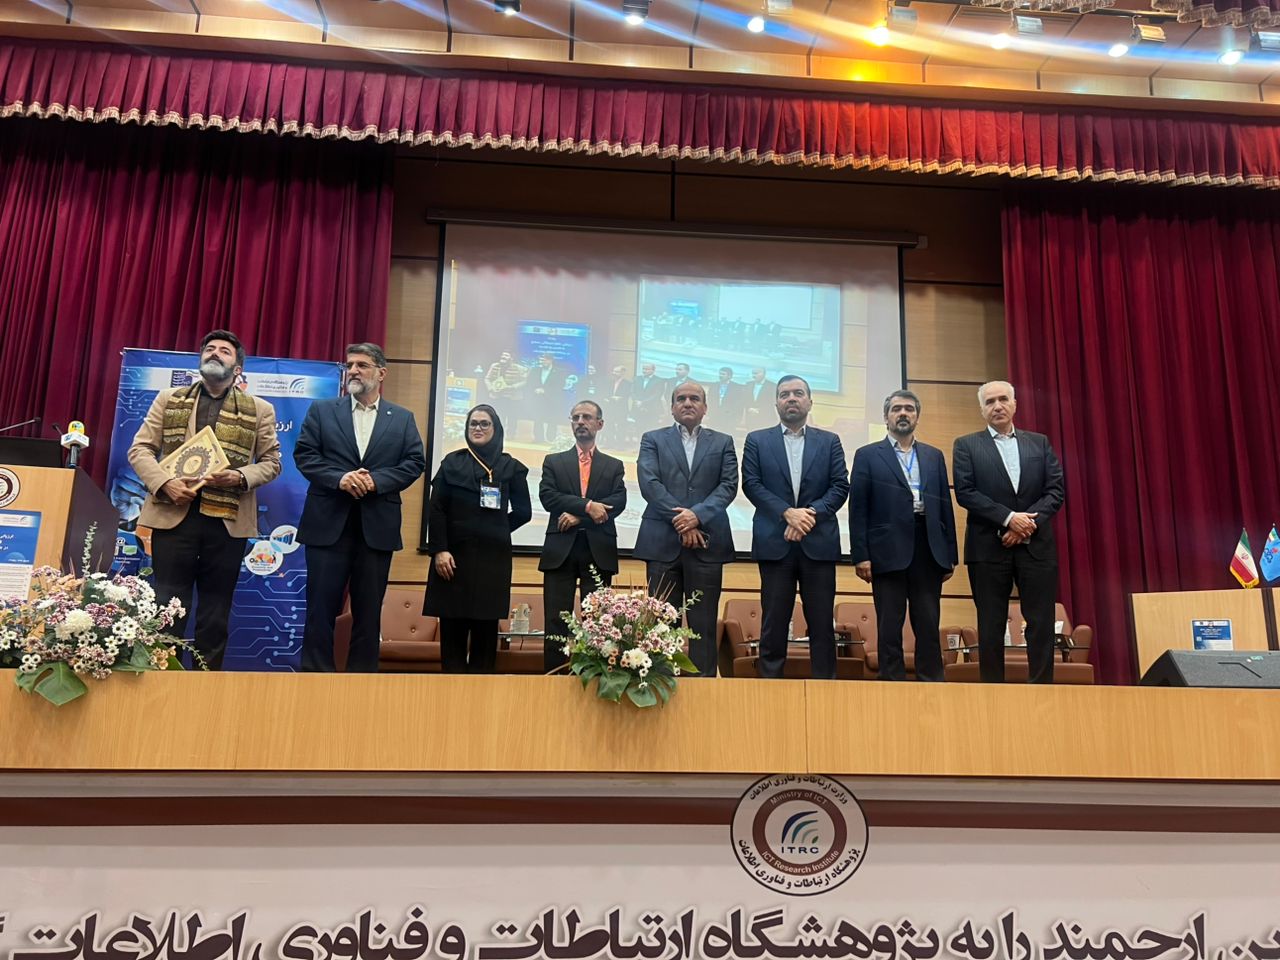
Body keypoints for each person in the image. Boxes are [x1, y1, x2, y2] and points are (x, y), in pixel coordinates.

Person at [127, 330, 281, 670]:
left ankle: (205, 685)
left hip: (227, 522)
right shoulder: (169, 398)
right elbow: (140, 450)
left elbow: (272, 463)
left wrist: (239, 477)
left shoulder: (260, 409)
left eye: (224, 351)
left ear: (238, 368)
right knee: (167, 607)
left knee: (215, 612)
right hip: (173, 515)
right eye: (209, 349)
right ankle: (163, 679)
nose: (214, 353)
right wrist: (165, 483)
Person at [295, 343, 427, 672]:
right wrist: (340, 478)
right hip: (327, 526)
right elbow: (305, 456)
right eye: (351, 364)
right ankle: (315, 682)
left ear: (381, 373)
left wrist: (376, 481)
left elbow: (414, 463)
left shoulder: (402, 418)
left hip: (376, 530)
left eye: (362, 365)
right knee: (319, 611)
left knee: (368, 615)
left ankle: (362, 685)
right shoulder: (322, 411)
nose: (353, 370)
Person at [952, 380, 1066, 684]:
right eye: (990, 402)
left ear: (1015, 404)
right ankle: (992, 692)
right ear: (982, 410)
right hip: (988, 549)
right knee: (990, 625)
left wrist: (1026, 524)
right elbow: (966, 492)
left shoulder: (1039, 443)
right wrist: (1009, 519)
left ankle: (1041, 689)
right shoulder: (966, 445)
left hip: (1036, 547)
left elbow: (1055, 490)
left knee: (1041, 622)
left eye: (1003, 399)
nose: (997, 406)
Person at [742, 375, 849, 680]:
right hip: (775, 543)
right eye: (784, 394)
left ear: (810, 402)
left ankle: (825, 687)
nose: (791, 398)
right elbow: (752, 484)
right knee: (774, 622)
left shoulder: (830, 441)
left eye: (798, 393)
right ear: (776, 403)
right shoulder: (757, 440)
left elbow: (840, 486)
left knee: (822, 624)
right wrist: (787, 514)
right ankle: (769, 686)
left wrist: (808, 515)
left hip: (819, 544)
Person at [848, 390, 958, 682]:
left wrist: (950, 555)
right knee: (889, 624)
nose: (903, 413)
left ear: (917, 416)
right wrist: (861, 555)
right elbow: (858, 508)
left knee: (928, 623)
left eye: (909, 409)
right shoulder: (868, 455)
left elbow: (945, 507)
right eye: (896, 409)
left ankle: (931, 681)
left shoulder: (933, 455)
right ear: (886, 417)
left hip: (928, 547)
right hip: (886, 550)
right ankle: (891, 682)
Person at [634, 382, 739, 677]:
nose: (687, 403)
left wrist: (697, 516)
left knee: (703, 626)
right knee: (661, 626)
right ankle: (660, 683)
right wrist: (683, 520)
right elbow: (650, 484)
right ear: (672, 407)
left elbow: (728, 486)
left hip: (707, 543)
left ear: (705, 407)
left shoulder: (723, 442)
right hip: (661, 543)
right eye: (681, 399)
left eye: (695, 399)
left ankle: (703, 686)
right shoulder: (652, 439)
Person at [424, 405, 532, 673]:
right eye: (473, 423)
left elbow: (524, 512)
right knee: (453, 639)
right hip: (452, 560)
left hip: (491, 563)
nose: (478, 428)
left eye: (485, 424)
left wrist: (496, 529)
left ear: (496, 429)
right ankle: (451, 697)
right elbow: (436, 509)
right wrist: (439, 550)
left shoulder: (511, 467)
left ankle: (480, 699)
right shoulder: (451, 462)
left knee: (485, 642)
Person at [538, 401, 627, 671]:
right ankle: (554, 678)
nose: (580, 422)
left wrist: (580, 516)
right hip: (560, 549)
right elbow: (548, 497)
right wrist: (588, 506)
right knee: (556, 621)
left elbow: (618, 502)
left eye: (586, 417)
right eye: (575, 417)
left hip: (597, 550)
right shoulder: (554, 461)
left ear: (599, 424)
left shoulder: (613, 465)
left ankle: (594, 678)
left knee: (597, 623)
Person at [531, 355, 564, 443]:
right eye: (541, 360)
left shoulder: (558, 372)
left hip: (552, 400)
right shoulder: (535, 370)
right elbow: (530, 383)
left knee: (552, 420)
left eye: (544, 360)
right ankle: (538, 438)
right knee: (537, 419)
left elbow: (560, 386)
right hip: (538, 399)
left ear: (550, 360)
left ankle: (551, 438)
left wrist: (545, 391)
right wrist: (535, 390)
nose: (542, 362)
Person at [632, 363, 668, 430]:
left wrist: (642, 402)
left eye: (647, 369)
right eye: (643, 369)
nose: (644, 371)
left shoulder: (659, 380)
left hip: (652, 409)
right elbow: (632, 392)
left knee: (651, 428)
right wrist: (636, 401)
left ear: (653, 370)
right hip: (638, 408)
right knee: (638, 428)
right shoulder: (637, 378)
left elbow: (657, 395)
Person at [709, 367, 743, 431]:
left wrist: (732, 414)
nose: (720, 376)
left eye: (723, 374)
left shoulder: (736, 387)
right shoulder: (714, 385)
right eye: (720, 374)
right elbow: (710, 400)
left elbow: (739, 403)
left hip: (729, 417)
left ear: (729, 376)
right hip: (714, 416)